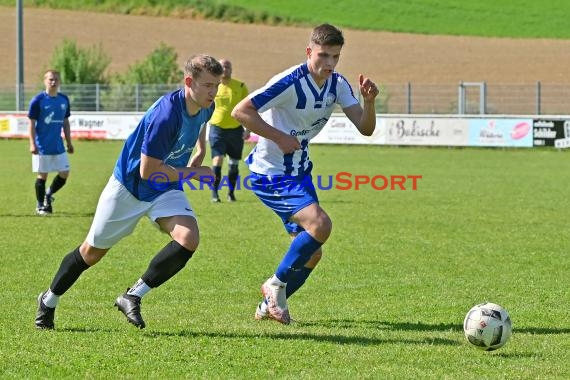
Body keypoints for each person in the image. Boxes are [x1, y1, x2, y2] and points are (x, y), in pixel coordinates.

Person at [34, 55, 223, 330]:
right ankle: (48, 301)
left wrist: (201, 150)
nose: (213, 92)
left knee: (188, 238)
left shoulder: (207, 104)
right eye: (207, 85)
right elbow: (148, 171)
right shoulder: (166, 115)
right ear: (188, 82)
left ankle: (132, 295)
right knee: (91, 253)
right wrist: (195, 173)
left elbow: (201, 123)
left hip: (164, 188)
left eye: (216, 85)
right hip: (130, 188)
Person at [232, 24, 379, 324]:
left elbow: (365, 128)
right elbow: (241, 111)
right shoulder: (289, 81)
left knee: (312, 253)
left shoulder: (337, 84)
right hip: (270, 174)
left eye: (335, 57)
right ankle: (274, 285)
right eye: (323, 55)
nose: (329, 63)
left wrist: (370, 102)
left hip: (300, 172)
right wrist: (278, 137)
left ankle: (268, 305)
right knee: (321, 225)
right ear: (309, 52)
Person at [28, 69, 74, 215]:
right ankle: (40, 205)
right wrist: (32, 143)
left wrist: (69, 142)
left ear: (59, 82)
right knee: (43, 175)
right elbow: (31, 124)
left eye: (55, 80)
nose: (53, 82)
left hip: (58, 145)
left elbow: (65, 122)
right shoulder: (38, 101)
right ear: (45, 81)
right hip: (42, 145)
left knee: (64, 173)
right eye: (50, 80)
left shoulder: (64, 100)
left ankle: (48, 194)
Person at [208, 59, 250, 202]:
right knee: (218, 159)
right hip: (217, 129)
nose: (225, 69)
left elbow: (248, 110)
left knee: (234, 163)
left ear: (231, 69)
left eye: (228, 66)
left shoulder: (240, 86)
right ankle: (214, 194)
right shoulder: (212, 86)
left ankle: (231, 194)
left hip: (235, 130)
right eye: (222, 66)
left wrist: (248, 129)